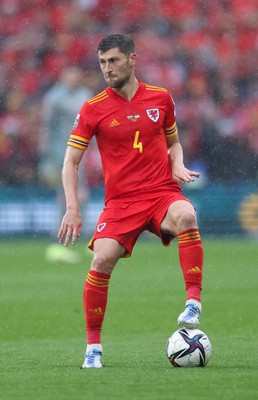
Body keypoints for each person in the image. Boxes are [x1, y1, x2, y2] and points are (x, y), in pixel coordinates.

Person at [58, 34, 204, 369]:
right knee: (101, 261)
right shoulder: (93, 108)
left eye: (114, 61)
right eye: (102, 63)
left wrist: (177, 163)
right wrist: (72, 208)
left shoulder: (161, 98)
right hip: (121, 203)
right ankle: (93, 348)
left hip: (160, 193)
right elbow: (70, 162)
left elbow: (174, 143)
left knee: (186, 215)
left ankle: (193, 301)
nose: (107, 69)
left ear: (132, 59)